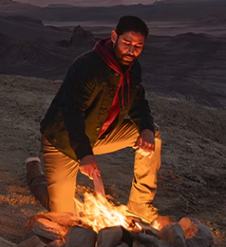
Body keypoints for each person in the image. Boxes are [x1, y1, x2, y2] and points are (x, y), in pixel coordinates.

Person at [37, 15, 167, 223]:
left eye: (138, 46)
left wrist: (146, 129)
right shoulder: (87, 67)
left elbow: (138, 103)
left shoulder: (133, 69)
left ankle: (140, 205)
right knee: (64, 215)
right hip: (63, 143)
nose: (131, 51)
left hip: (97, 136)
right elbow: (71, 112)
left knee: (151, 133)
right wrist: (84, 155)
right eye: (126, 43)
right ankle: (34, 174)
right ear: (114, 37)